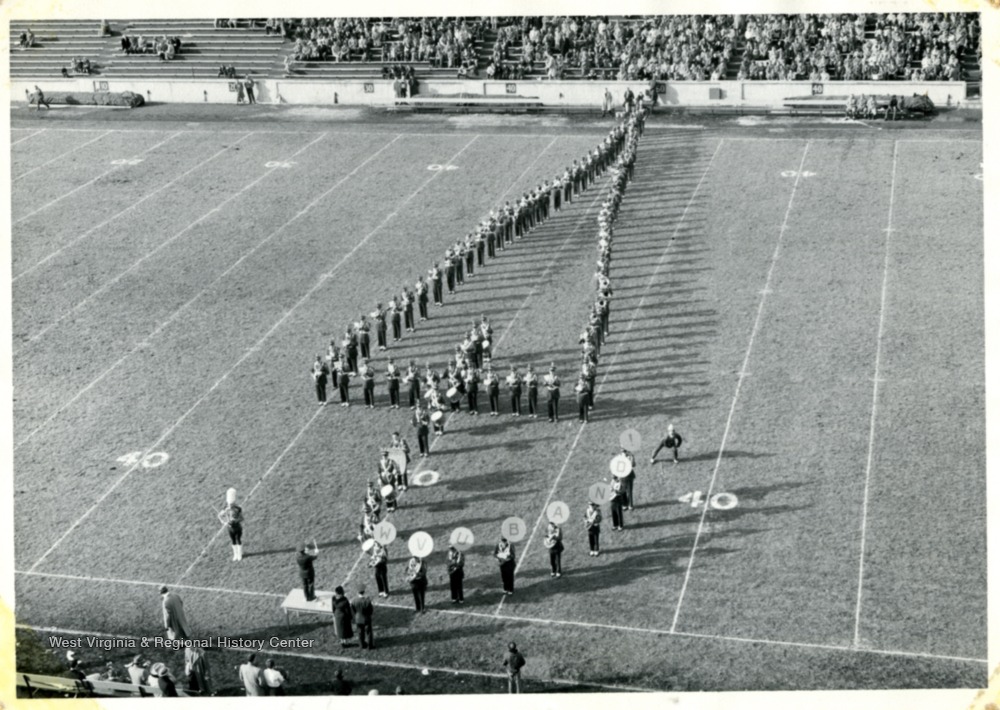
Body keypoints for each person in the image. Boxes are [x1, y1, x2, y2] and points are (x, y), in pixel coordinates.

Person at [220, 487, 244, 561]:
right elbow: (220, 515)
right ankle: (235, 554)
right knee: (233, 540)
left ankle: (239, 554)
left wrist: (236, 520)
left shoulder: (238, 509)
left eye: (231, 504)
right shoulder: (225, 509)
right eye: (229, 504)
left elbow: (242, 518)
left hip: (237, 527)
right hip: (230, 528)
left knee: (238, 539)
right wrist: (224, 522)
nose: (229, 505)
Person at [351, 585, 376, 650]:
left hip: (358, 618)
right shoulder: (367, 601)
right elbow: (371, 610)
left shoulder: (354, 600)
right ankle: (370, 645)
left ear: (357, 592)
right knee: (369, 632)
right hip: (366, 618)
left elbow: (353, 610)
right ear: (364, 592)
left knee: (360, 632)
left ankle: (361, 644)